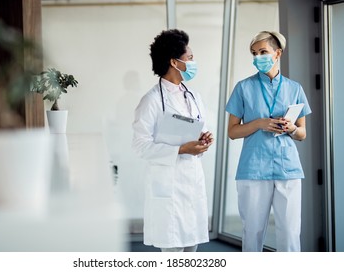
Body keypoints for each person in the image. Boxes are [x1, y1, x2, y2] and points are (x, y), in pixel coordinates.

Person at [225, 31, 312, 252]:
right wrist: (259, 123)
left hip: (288, 168)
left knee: (290, 233)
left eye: (263, 52)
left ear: (278, 53)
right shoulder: (243, 88)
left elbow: (302, 133)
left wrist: (292, 128)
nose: (258, 58)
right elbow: (232, 132)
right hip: (253, 169)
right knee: (252, 233)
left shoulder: (295, 89)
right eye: (254, 53)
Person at [132, 29, 214, 252]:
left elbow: (199, 129)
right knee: (173, 252)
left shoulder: (193, 96)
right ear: (174, 62)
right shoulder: (151, 101)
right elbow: (140, 146)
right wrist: (180, 150)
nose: (193, 62)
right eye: (189, 58)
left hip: (192, 182)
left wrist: (204, 140)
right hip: (168, 186)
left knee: (192, 248)